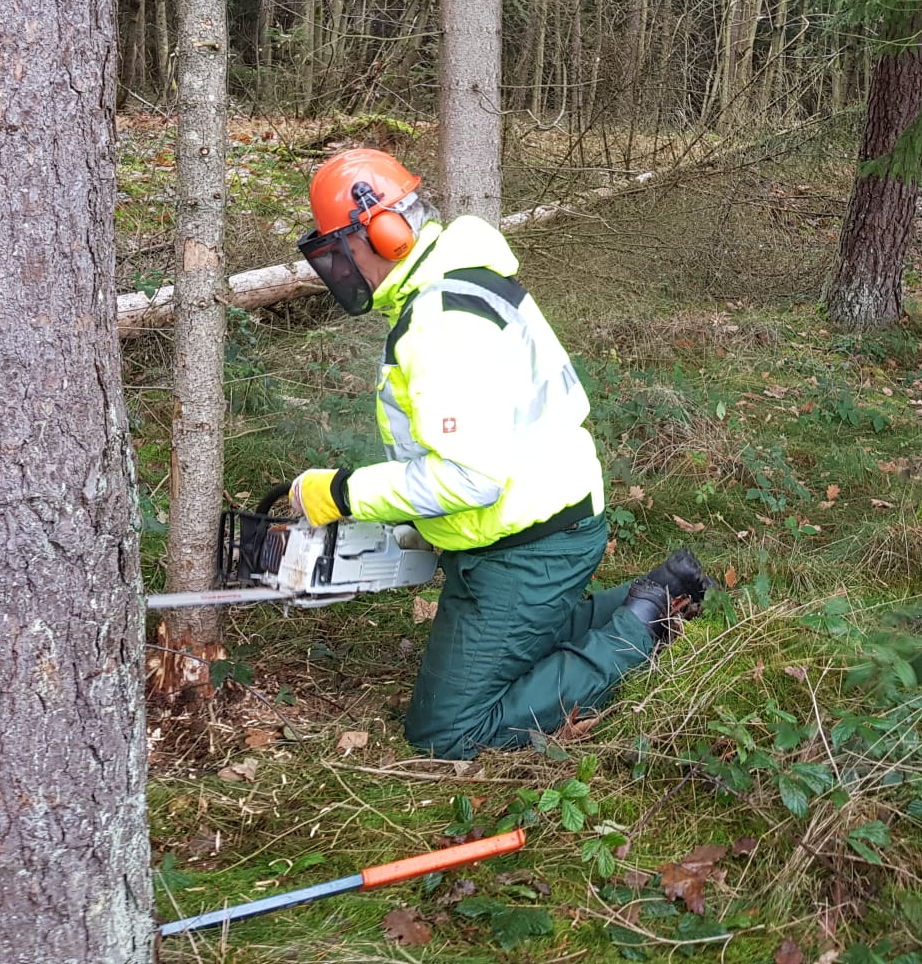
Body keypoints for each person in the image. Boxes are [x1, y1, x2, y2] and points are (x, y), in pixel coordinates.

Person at [287, 147, 707, 759]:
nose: (341, 268)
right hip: (524, 525)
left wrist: (342, 493)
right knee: (518, 644)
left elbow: (469, 476)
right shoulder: (451, 285)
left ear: (383, 232)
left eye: (341, 249)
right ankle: (661, 591)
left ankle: (642, 626)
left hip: (528, 544)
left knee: (448, 730)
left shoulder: (442, 319)